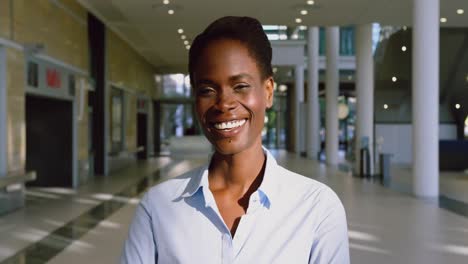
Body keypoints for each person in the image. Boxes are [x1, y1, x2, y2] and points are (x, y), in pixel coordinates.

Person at [121, 16, 349, 264]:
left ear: (268, 92)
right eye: (207, 90)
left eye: (240, 86)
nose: (223, 104)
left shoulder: (316, 208)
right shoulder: (158, 207)